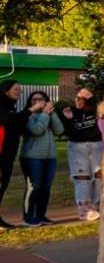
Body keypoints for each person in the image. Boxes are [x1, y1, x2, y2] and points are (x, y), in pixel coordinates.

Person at [0, 80, 43, 230]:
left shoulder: (11, 107)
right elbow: (8, 121)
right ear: (6, 91)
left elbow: (15, 128)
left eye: (20, 90)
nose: (19, 92)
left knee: (3, 186)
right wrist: (31, 110)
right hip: (1, 153)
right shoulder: (2, 105)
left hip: (8, 154)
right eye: (16, 89)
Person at [20, 91, 64, 226]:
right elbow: (37, 130)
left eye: (41, 99)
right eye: (34, 99)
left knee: (46, 187)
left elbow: (59, 131)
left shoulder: (49, 115)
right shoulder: (28, 115)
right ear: (30, 102)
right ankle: (29, 217)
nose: (38, 101)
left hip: (50, 157)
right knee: (35, 186)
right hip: (32, 158)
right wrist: (45, 114)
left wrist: (52, 113)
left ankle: (41, 215)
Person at [59, 88, 103, 221]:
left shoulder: (96, 111)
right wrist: (69, 119)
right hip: (77, 147)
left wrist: (92, 97)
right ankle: (85, 210)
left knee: (99, 176)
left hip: (96, 145)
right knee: (82, 178)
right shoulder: (70, 111)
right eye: (76, 98)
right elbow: (67, 132)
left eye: (81, 98)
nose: (77, 100)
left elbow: (102, 107)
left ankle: (97, 206)